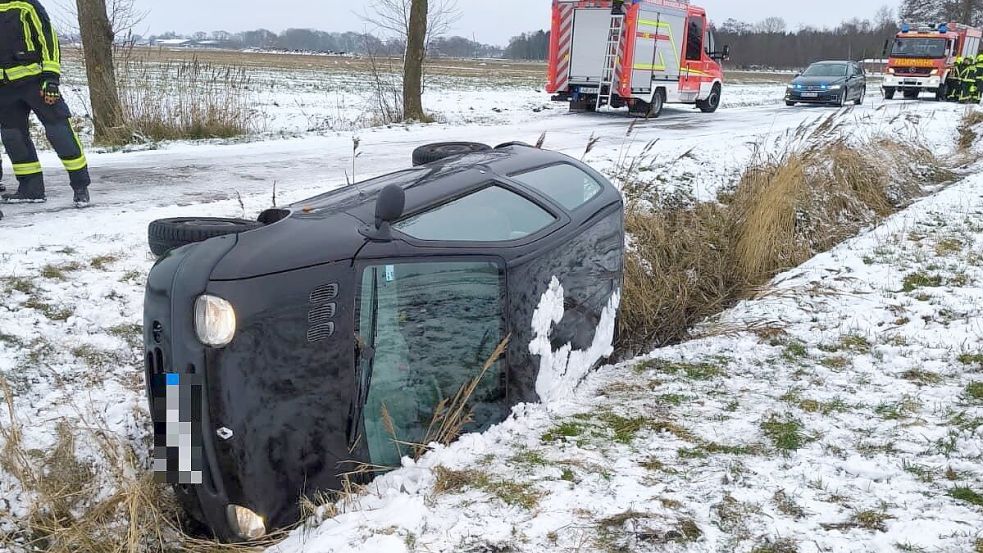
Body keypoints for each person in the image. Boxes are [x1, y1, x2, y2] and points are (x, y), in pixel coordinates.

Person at [0, 0, 90, 207]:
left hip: (37, 83)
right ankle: (31, 190)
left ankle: (80, 186)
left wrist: (51, 78)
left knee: (59, 131)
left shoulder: (27, 5)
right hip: (5, 89)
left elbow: (48, 40)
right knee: (13, 138)